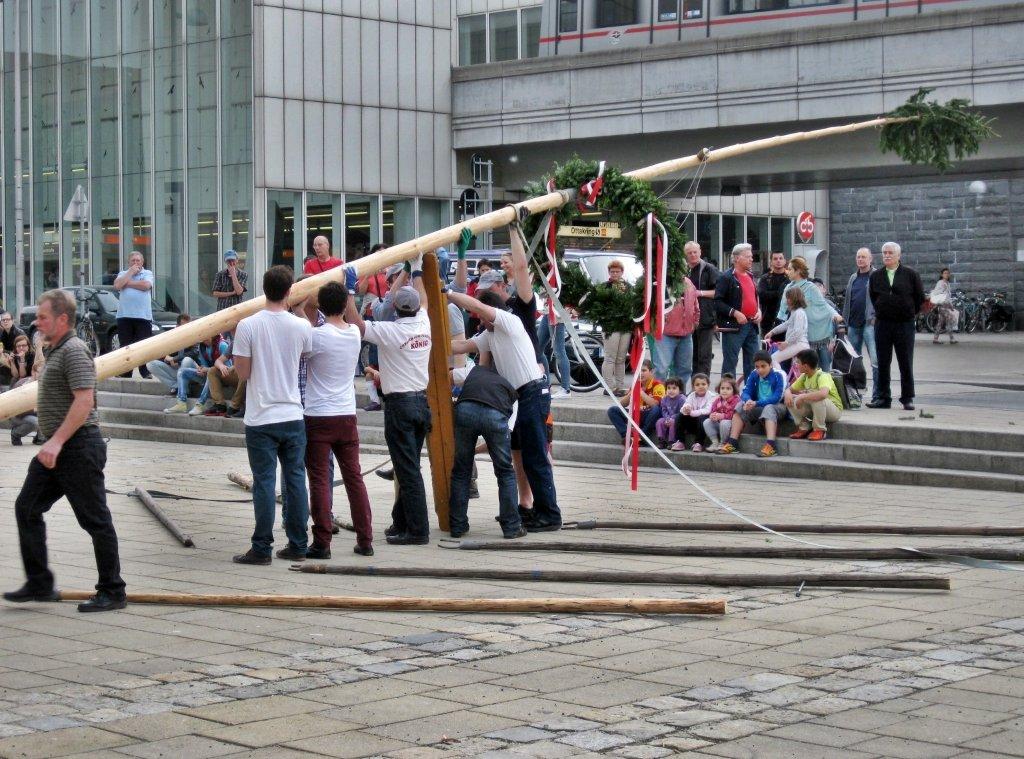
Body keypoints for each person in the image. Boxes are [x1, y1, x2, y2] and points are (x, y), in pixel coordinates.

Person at [5, 289, 126, 612]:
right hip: (56, 448)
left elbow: (84, 401)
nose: (37, 322)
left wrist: (56, 441)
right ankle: (40, 583)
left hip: (77, 446)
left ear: (62, 319)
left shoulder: (73, 350)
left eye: (43, 317)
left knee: (95, 520)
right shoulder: (55, 350)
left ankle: (113, 590)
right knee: (27, 507)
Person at [449, 287, 562, 532]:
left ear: (492, 311)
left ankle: (550, 515)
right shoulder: (489, 335)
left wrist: (446, 293)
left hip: (532, 393)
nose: (480, 322)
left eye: (482, 317)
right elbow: (461, 346)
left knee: (535, 457)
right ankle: (530, 509)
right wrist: (426, 342)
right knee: (521, 455)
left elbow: (476, 306)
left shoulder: (509, 321)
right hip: (518, 397)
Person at [230, 265, 313, 565]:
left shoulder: (248, 325)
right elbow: (305, 355)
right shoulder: (301, 326)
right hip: (292, 412)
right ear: (290, 291)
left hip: (261, 416)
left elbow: (243, 373)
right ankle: (299, 543)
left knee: (264, 482)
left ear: (263, 290)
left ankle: (262, 547)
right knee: (296, 479)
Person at [351, 270, 433, 546]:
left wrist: (350, 293)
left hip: (401, 406)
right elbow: (423, 299)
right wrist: (417, 270)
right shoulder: (424, 322)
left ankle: (418, 531)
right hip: (421, 403)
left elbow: (357, 324)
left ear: (395, 309)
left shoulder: (391, 330)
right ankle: (401, 522)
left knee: (407, 470)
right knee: (407, 466)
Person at [303, 282, 374, 558]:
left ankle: (322, 542)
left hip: (319, 415)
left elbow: (302, 327)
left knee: (320, 479)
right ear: (344, 305)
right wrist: (350, 291)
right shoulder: (354, 333)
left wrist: (301, 303)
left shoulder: (317, 336)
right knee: (354, 478)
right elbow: (352, 316)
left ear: (321, 306)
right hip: (346, 415)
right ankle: (365, 540)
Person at [447, 364, 524, 540]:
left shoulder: (474, 370)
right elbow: (506, 433)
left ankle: (457, 526)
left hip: (465, 409)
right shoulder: (511, 387)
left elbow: (450, 375)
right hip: (495, 414)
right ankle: (512, 527)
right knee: (505, 473)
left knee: (461, 472)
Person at [868, 242, 925, 411]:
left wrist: (908, 311)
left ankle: (907, 398)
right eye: (884, 253)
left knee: (905, 361)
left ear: (898, 256)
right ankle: (883, 397)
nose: (887, 255)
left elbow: (919, 298)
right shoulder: (876, 276)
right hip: (883, 324)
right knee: (883, 361)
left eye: (890, 253)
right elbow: (874, 297)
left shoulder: (911, 274)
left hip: (904, 324)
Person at [718, 351, 787, 458]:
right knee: (740, 405)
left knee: (769, 408)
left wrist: (756, 403)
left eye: (763, 366)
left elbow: (777, 397)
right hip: (758, 406)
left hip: (778, 407)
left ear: (770, 365)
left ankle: (771, 446)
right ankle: (732, 443)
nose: (760, 370)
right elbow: (745, 392)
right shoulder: (754, 374)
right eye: (757, 367)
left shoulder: (779, 375)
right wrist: (748, 401)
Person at [778, 257, 842, 372]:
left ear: (798, 271)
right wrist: (778, 328)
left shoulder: (811, 287)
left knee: (824, 368)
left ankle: (826, 383)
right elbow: (782, 311)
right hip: (799, 333)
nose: (788, 272)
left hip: (818, 331)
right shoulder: (788, 288)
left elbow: (824, 304)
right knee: (803, 367)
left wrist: (835, 315)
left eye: (790, 269)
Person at [715, 243, 762, 379]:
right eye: (748, 257)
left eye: (751, 256)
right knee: (731, 361)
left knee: (753, 362)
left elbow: (754, 297)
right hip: (734, 327)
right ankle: (728, 390)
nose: (751, 259)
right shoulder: (726, 277)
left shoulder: (750, 276)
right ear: (736, 258)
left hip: (752, 325)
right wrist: (735, 313)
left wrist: (758, 311)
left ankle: (750, 390)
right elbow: (717, 302)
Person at [842, 248, 879, 401]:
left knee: (876, 360)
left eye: (864, 257)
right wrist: (844, 321)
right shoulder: (853, 277)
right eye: (858, 257)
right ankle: (855, 393)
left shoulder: (877, 276)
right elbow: (847, 301)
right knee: (853, 360)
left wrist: (876, 317)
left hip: (870, 325)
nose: (860, 259)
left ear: (870, 259)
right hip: (853, 324)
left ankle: (878, 394)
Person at [113, 251, 155, 379]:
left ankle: (144, 371)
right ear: (129, 262)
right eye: (133, 260)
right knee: (125, 346)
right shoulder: (123, 274)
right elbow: (117, 285)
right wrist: (130, 273)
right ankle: (126, 371)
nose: (136, 263)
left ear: (142, 262)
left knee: (143, 345)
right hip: (124, 316)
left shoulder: (147, 273)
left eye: (138, 260)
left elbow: (146, 285)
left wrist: (128, 283)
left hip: (143, 316)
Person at [786, 348, 844, 441]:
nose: (796, 365)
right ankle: (804, 427)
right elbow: (790, 389)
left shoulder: (823, 376)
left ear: (805, 366)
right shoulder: (804, 376)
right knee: (790, 399)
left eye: (798, 363)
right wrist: (787, 393)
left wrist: (802, 396)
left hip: (834, 411)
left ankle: (819, 429)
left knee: (817, 398)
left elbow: (823, 394)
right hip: (816, 410)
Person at [654, 277, 699, 390]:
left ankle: (680, 395)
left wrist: (695, 322)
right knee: (661, 369)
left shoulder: (689, 282)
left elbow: (695, 304)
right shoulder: (662, 279)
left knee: (685, 369)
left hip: (686, 334)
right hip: (666, 334)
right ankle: (658, 395)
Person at [606, 359, 664, 441]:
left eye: (644, 370)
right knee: (613, 410)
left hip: (649, 415)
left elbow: (655, 404)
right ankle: (626, 436)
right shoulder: (636, 384)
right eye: (638, 371)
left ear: (651, 372)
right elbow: (622, 404)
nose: (641, 373)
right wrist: (631, 393)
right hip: (636, 414)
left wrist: (640, 392)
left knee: (656, 410)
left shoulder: (658, 385)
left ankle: (642, 436)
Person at [686, 241, 719, 377]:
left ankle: (703, 384)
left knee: (704, 355)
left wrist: (699, 293)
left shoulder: (709, 269)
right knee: (691, 354)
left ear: (700, 252)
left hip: (705, 318)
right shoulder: (684, 270)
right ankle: (695, 384)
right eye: (689, 253)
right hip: (688, 319)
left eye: (695, 252)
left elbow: (718, 292)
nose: (693, 255)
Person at [600, 260, 632, 394]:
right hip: (610, 327)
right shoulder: (604, 287)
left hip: (625, 326)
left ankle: (619, 386)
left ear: (622, 272)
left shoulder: (628, 287)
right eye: (612, 271)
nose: (614, 274)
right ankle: (609, 387)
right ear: (609, 272)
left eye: (617, 271)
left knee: (621, 358)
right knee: (610, 358)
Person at [145, 313, 193, 400]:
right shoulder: (172, 338)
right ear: (177, 326)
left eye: (188, 325)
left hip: (189, 369)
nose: (187, 328)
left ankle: (183, 389)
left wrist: (175, 359)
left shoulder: (194, 336)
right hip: (175, 369)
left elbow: (194, 354)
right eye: (184, 326)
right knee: (150, 364)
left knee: (186, 360)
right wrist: (166, 359)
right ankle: (177, 386)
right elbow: (160, 353)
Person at [765, 288, 810, 369]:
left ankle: (780, 376)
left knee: (773, 358)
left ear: (794, 299)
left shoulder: (798, 313)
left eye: (788, 298)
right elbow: (786, 324)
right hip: (798, 344)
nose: (786, 301)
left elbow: (797, 331)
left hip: (798, 344)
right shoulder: (795, 312)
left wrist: (786, 343)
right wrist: (772, 332)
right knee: (796, 368)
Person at [671, 373, 716, 452]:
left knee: (702, 417)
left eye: (703, 384)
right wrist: (686, 408)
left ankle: (699, 443)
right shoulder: (691, 395)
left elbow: (708, 410)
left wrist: (692, 413)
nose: (700, 386)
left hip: (703, 426)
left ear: (708, 385)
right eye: (697, 385)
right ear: (693, 387)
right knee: (679, 416)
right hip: (692, 424)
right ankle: (680, 441)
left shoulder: (712, 396)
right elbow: (685, 406)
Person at [205, 341, 246, 418]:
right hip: (236, 374)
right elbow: (218, 361)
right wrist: (221, 366)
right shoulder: (234, 342)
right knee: (212, 371)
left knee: (243, 370)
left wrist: (235, 366)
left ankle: (235, 406)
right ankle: (220, 405)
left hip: (249, 375)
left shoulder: (251, 340)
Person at [703, 375, 741, 452]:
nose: (724, 391)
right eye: (722, 388)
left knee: (724, 423)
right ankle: (715, 442)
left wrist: (723, 416)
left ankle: (723, 443)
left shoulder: (736, 400)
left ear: (733, 390)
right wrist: (712, 415)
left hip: (730, 426)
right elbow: (713, 410)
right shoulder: (717, 400)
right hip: (719, 424)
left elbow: (734, 414)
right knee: (707, 422)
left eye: (728, 389)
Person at [757, 252, 789, 336]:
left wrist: (773, 294)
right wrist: (780, 293)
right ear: (771, 261)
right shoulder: (765, 278)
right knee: (768, 344)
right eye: (775, 259)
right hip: (768, 320)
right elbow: (761, 295)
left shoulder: (790, 277)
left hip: (787, 320)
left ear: (785, 261)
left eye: (780, 258)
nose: (778, 261)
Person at [654, 377, 686, 449]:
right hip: (667, 418)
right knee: (659, 421)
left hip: (677, 419)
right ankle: (662, 441)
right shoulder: (664, 399)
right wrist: (667, 418)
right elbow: (664, 410)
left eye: (674, 388)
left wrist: (671, 418)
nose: (671, 391)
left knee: (672, 422)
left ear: (680, 390)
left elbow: (682, 412)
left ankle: (672, 441)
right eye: (669, 388)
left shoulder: (682, 399)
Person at [930, 268, 958, 345]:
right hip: (942, 305)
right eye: (945, 273)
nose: (947, 274)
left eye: (948, 273)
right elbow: (936, 292)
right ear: (942, 275)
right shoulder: (940, 282)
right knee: (950, 320)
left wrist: (950, 305)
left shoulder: (948, 283)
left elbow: (948, 296)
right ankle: (952, 339)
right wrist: (942, 291)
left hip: (946, 305)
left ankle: (935, 339)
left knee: (940, 322)